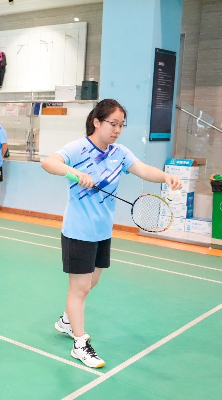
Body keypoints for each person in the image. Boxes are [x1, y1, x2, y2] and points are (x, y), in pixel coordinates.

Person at [41, 99, 182, 368]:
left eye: (121, 125)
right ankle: (79, 344)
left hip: (102, 230)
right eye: (112, 124)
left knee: (91, 282)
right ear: (97, 122)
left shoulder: (120, 153)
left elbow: (143, 169)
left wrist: (165, 177)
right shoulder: (79, 148)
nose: (117, 130)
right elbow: (49, 163)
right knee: (79, 288)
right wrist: (74, 172)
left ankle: (67, 321)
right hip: (79, 230)